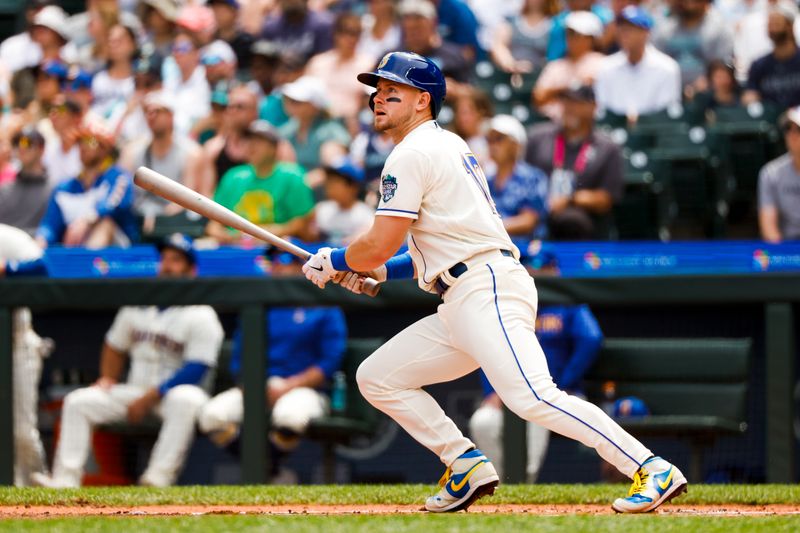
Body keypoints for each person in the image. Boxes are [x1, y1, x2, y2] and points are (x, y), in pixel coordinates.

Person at [300, 50, 687, 514]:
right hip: (464, 292)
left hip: (485, 287)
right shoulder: (445, 145)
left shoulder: (413, 153)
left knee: (533, 397)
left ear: (423, 100)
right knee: (379, 378)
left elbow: (379, 243)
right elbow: (437, 241)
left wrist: (337, 259)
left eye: (391, 92)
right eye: (376, 93)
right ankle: (463, 462)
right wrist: (377, 271)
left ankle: (650, 467)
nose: (378, 100)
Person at [31, 235, 223, 488]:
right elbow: (114, 345)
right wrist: (108, 378)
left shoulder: (202, 313)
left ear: (192, 270)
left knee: (184, 399)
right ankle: (65, 480)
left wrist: (151, 396)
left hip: (174, 397)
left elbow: (196, 369)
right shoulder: (138, 304)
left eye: (176, 260)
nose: (167, 266)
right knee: (79, 401)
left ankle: (157, 479)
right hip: (135, 392)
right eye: (164, 259)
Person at [198, 246, 347, 476]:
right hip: (256, 387)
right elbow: (240, 358)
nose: (277, 266)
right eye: (272, 260)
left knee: (289, 417)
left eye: (285, 260)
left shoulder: (323, 305)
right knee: (211, 415)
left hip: (304, 390)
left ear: (304, 267)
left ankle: (264, 467)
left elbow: (330, 361)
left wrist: (289, 386)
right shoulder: (260, 304)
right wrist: (251, 387)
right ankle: (267, 467)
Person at [470, 303, 603, 482]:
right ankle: (498, 483)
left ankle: (523, 482)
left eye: (543, 272)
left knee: (538, 411)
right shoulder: (507, 303)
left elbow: (591, 338)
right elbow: (487, 347)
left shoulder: (568, 304)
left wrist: (564, 382)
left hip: (554, 394)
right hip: (512, 394)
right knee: (483, 422)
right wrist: (494, 391)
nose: (536, 273)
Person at [527, 85, 624, 240]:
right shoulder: (538, 138)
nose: (570, 108)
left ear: (593, 107)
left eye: (577, 103)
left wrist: (569, 199)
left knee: (571, 220)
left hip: (581, 221)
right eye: (566, 102)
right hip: (535, 211)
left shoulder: (607, 148)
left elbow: (606, 199)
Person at [0, 224, 53, 487]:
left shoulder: (7, 237)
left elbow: (43, 267)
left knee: (22, 431)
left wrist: (6, 268)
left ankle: (35, 490)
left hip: (16, 341)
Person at [207, 120, 314, 243]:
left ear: (274, 147)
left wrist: (259, 235)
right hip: (236, 248)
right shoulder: (233, 176)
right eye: (248, 140)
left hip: (277, 249)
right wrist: (230, 237)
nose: (251, 145)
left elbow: (302, 223)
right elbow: (213, 224)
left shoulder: (292, 175)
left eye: (259, 141)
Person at [36, 123, 138, 248]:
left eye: (90, 142)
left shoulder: (118, 177)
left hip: (117, 255)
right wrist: (42, 239)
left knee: (106, 224)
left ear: (105, 149)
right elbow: (50, 225)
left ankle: (87, 264)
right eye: (80, 142)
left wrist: (88, 220)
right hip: (73, 248)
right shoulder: (63, 188)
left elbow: (113, 204)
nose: (83, 147)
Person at [118, 91, 205, 220]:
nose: (151, 116)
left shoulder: (191, 153)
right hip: (138, 219)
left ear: (170, 115)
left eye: (157, 111)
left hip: (173, 221)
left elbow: (190, 200)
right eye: (147, 111)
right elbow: (122, 191)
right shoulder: (132, 151)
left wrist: (158, 217)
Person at [594, 6, 682, 118]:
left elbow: (668, 112)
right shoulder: (605, 66)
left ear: (646, 32)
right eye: (621, 28)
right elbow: (602, 111)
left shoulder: (667, 67)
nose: (624, 33)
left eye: (630, 28)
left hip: (654, 132)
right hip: (613, 131)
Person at [533, 11, 606, 121]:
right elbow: (538, 98)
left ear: (590, 38)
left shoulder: (604, 64)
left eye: (575, 34)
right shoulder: (556, 65)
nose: (570, 38)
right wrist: (570, 87)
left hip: (592, 125)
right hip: (555, 125)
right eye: (568, 33)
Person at [485, 115, 548, 240]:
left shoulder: (532, 178)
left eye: (499, 139)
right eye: (489, 140)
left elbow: (528, 221)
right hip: (493, 248)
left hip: (526, 254)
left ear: (515, 145)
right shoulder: (486, 179)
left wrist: (489, 228)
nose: (492, 145)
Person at [305, 12, 376, 123]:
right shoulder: (317, 62)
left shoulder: (368, 63)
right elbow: (306, 95)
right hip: (317, 121)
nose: (351, 39)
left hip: (350, 123)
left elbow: (370, 101)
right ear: (336, 34)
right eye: (346, 33)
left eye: (356, 34)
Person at [651, 0, 734, 94]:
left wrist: (706, 81)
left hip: (707, 93)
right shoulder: (664, 29)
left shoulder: (719, 29)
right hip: (669, 90)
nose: (689, 3)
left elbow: (722, 66)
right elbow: (655, 63)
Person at [279, 76, 351, 175]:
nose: (291, 103)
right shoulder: (285, 131)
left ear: (315, 105)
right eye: (289, 99)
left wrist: (302, 183)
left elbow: (333, 169)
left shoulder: (332, 132)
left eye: (297, 101)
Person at [201, 84, 259, 197]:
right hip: (222, 211)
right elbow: (207, 194)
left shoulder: (275, 147)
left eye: (240, 107)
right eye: (230, 106)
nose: (233, 111)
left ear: (254, 112)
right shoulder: (212, 148)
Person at [397, 0, 473, 84]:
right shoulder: (395, 58)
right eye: (410, 29)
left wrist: (453, 89)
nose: (414, 33)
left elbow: (471, 91)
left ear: (433, 23)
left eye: (419, 28)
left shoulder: (454, 56)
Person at [743, 4, 800, 109]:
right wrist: (750, 98)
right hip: (770, 121)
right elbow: (751, 93)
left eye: (776, 23)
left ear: (789, 26)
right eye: (769, 24)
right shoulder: (759, 65)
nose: (772, 28)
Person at [758, 106, 800, 243]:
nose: (792, 135)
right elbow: (769, 228)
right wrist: (783, 257)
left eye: (798, 130)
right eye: (788, 129)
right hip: (787, 249)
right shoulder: (771, 173)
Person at [0, 128, 52, 235]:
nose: (21, 147)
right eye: (17, 143)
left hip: (35, 248)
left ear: (41, 149)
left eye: (27, 143)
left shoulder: (52, 191)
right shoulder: (4, 190)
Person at [313, 157, 375, 245]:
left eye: (335, 182)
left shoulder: (366, 215)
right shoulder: (321, 209)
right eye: (328, 181)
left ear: (353, 187)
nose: (329, 186)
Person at [490, 0, 560, 75]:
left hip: (541, 77)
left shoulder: (557, 24)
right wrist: (511, 64)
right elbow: (499, 45)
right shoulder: (512, 20)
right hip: (508, 75)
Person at [260, 0, 334, 62]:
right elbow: (265, 62)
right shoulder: (270, 27)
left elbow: (325, 62)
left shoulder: (323, 25)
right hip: (279, 76)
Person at [208, 0, 254, 72]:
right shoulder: (207, 40)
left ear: (235, 12)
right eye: (214, 9)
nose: (217, 14)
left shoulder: (247, 43)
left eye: (222, 10)